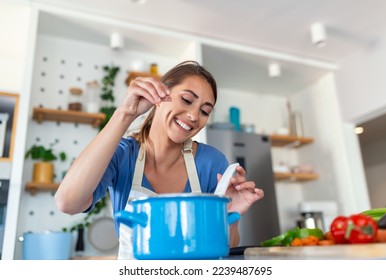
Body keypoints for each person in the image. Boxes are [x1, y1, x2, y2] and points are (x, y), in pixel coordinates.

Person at [55, 60, 264, 259]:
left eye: (204, 111)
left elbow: (227, 246)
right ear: (159, 96)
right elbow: (67, 202)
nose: (193, 116)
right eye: (187, 100)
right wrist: (126, 113)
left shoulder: (212, 162)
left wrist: (229, 215)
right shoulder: (123, 155)